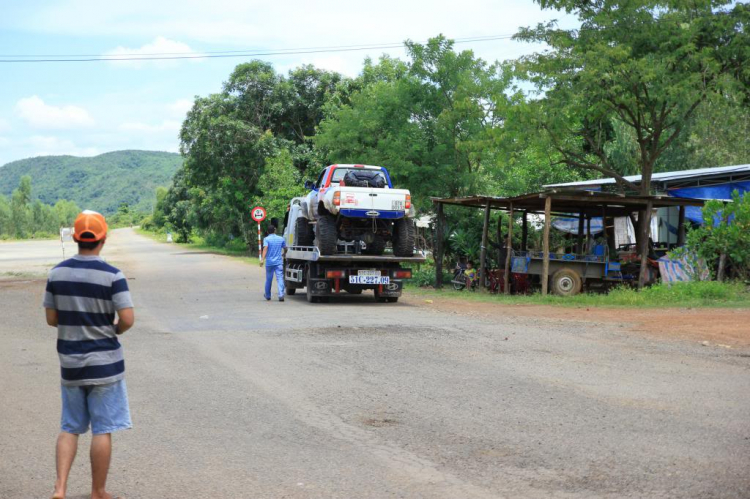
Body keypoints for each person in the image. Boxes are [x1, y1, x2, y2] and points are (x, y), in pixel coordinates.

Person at [43, 210, 134, 499]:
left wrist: (75, 324)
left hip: (70, 363)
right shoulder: (113, 276)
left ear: (75, 238)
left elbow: (51, 318)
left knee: (69, 426)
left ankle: (60, 489)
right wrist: (114, 330)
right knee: (102, 429)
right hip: (105, 364)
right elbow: (128, 318)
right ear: (103, 238)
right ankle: (98, 491)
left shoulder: (56, 274)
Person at [259, 225, 287, 301]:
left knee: (268, 279)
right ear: (275, 230)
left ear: (267, 232)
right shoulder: (281, 239)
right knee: (280, 278)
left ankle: (268, 295)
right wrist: (284, 253)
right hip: (279, 262)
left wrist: (262, 259)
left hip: (269, 263)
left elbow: (265, 248)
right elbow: (285, 248)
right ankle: (281, 294)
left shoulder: (266, 239)